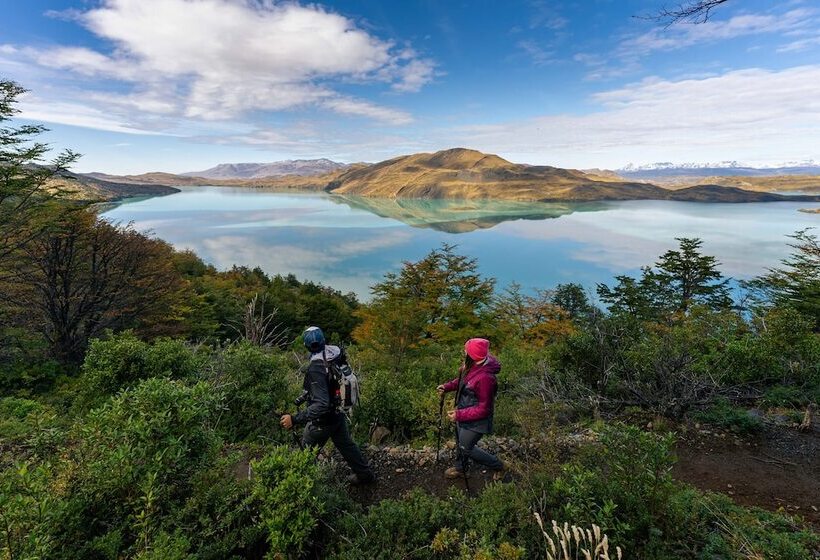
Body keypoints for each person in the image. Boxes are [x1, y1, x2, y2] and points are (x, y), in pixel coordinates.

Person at [280, 326, 376, 485]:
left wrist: (295, 419)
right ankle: (365, 476)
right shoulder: (335, 354)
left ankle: (307, 488)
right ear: (324, 342)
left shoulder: (316, 368)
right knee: (346, 445)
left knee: (306, 453)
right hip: (338, 414)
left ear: (306, 346)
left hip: (322, 422)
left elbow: (321, 404)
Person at [437, 337, 505, 481]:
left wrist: (459, 415)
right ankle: (461, 469)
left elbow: (484, 409)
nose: (464, 352)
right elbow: (462, 381)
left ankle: (499, 466)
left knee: (466, 448)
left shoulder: (486, 378)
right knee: (461, 443)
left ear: (473, 354)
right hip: (464, 413)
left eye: (466, 350)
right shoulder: (473, 365)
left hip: (476, 421)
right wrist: (447, 387)